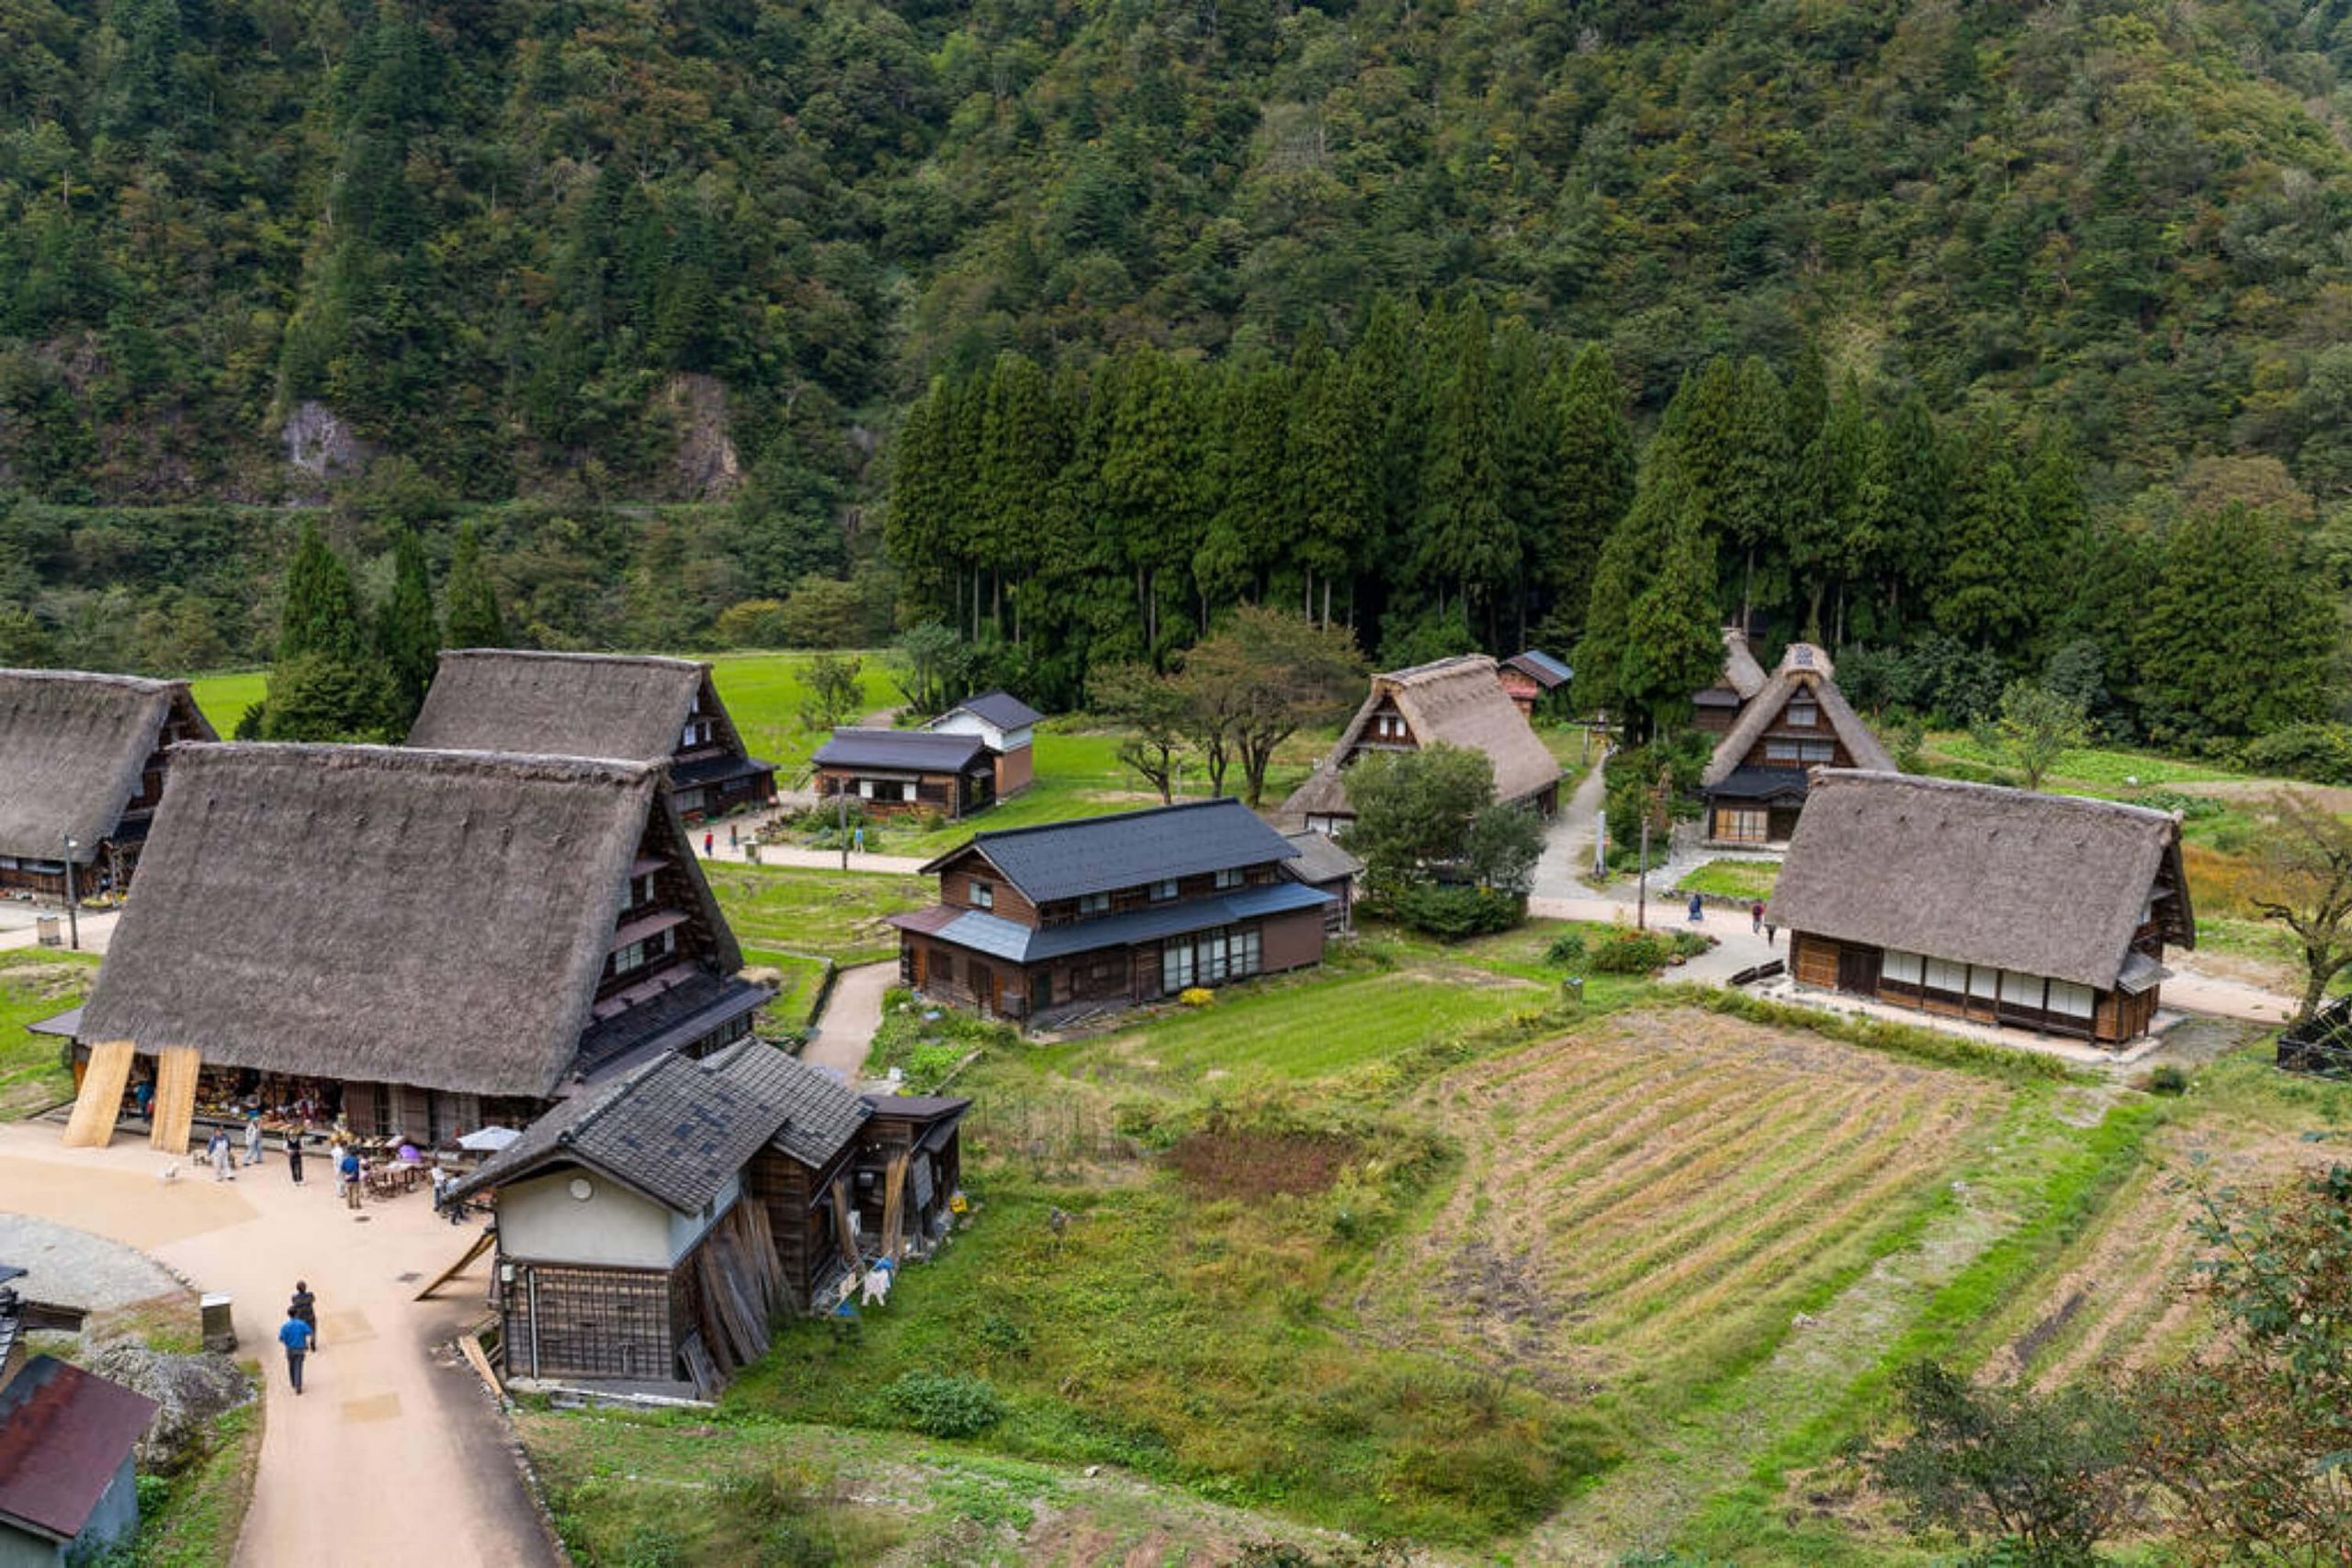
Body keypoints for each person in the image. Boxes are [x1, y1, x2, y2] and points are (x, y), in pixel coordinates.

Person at [278, 1308, 315, 1394]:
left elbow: (281, 1338)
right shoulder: (302, 1324)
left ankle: (294, 1383)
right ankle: (298, 1386)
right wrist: (310, 1343)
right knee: (298, 1367)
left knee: (291, 1366)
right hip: (300, 1349)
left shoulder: (285, 1326)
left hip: (290, 1349)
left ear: (289, 1315)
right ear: (297, 1314)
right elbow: (310, 1333)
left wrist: (287, 1342)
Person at [288, 1280, 319, 1350]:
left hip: (300, 1317)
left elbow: (294, 1303)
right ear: (305, 1288)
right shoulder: (310, 1295)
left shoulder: (295, 1298)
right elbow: (313, 1299)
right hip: (310, 1316)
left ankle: (305, 1344)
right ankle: (313, 1342)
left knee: (302, 1331)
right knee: (313, 1330)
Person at [339, 1146, 362, 1211]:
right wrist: (351, 1175)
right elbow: (356, 1170)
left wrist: (345, 1176)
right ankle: (356, 1205)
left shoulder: (345, 1160)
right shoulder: (356, 1160)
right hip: (355, 1179)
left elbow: (342, 1169)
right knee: (355, 1192)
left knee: (348, 1193)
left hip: (347, 1179)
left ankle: (349, 1205)